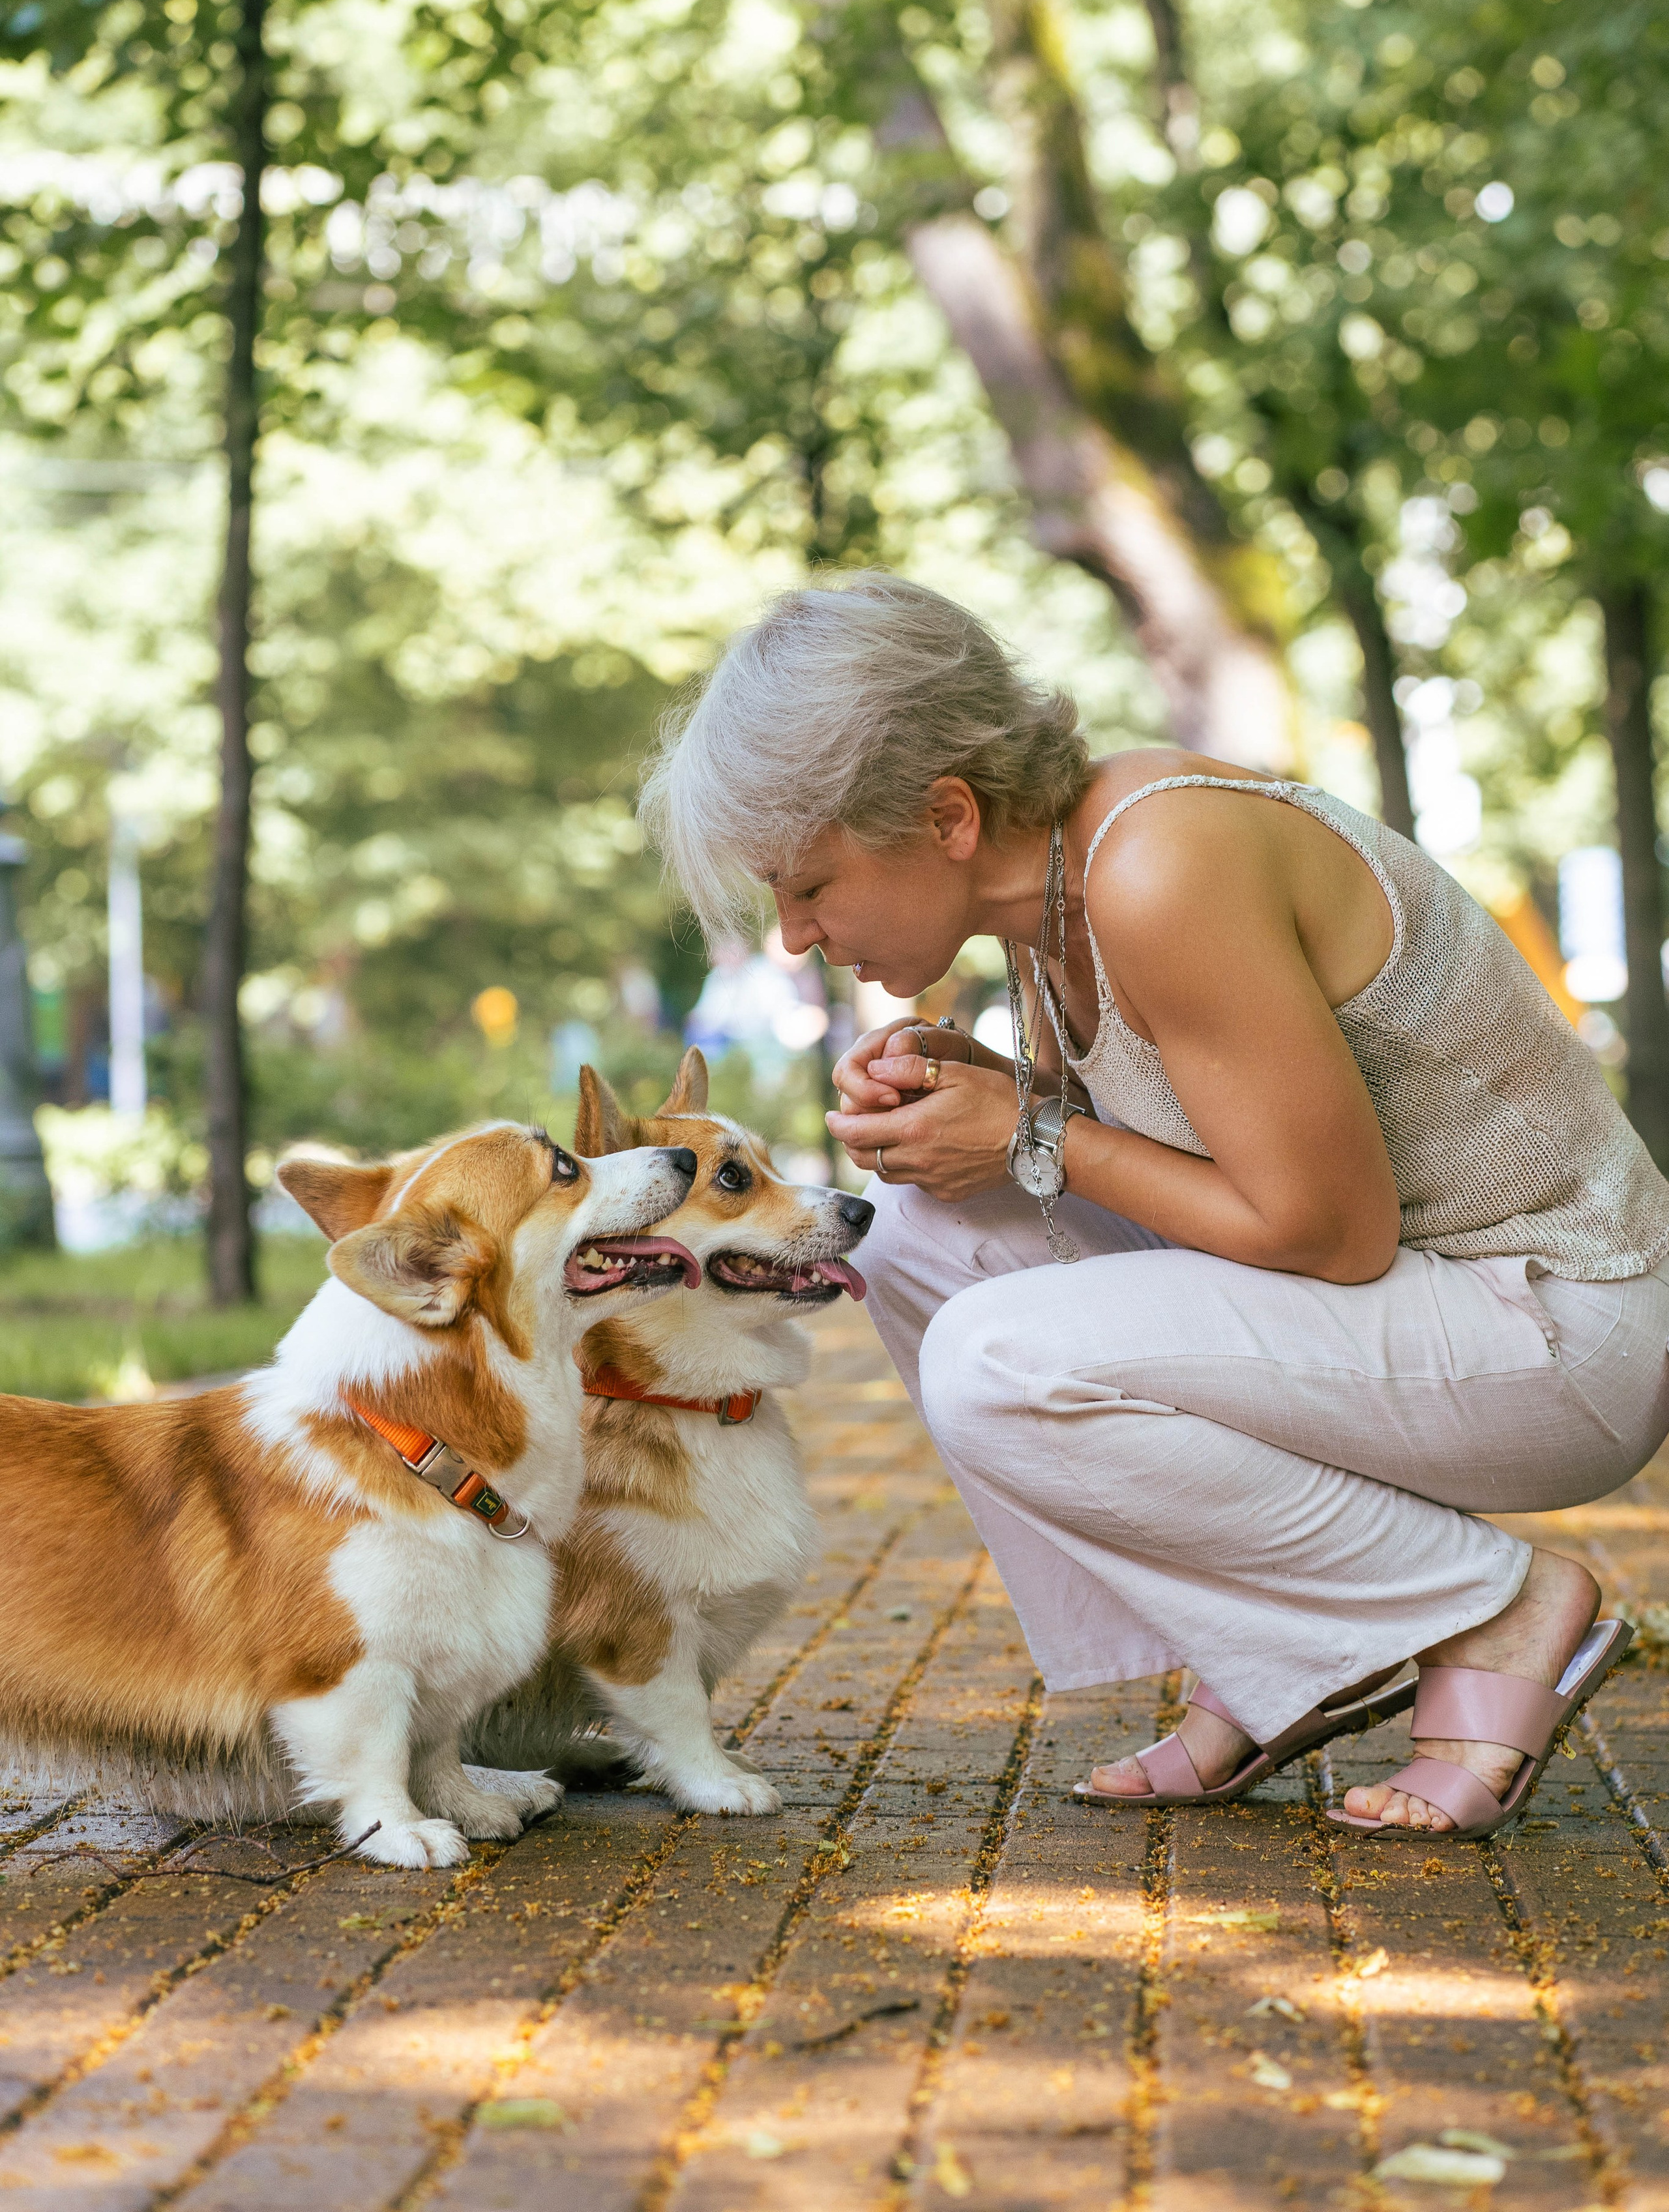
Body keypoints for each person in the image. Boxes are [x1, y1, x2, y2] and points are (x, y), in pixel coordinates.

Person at [640, 574, 1669, 1838]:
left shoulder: (1159, 864)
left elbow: (1329, 1232)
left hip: (1560, 1321)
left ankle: (1493, 1611)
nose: (795, 935)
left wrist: (1030, 1131)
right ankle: (1273, 1655)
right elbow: (1205, 1140)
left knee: (995, 1358)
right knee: (911, 1238)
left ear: (947, 815)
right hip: (1422, 1304)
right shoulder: (1049, 891)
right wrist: (996, 1099)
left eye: (809, 885)